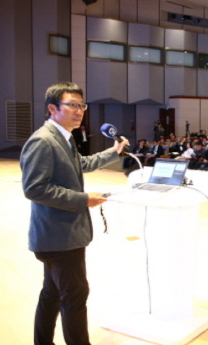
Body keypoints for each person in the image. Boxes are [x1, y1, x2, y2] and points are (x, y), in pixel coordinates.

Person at [20, 82, 129, 345]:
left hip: (59, 235)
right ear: (52, 108)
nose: (79, 111)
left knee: (53, 294)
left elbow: (82, 164)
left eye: (81, 105)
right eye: (72, 105)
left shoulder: (64, 138)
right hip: (59, 236)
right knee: (74, 297)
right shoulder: (43, 140)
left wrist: (112, 152)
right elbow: (35, 188)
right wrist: (83, 199)